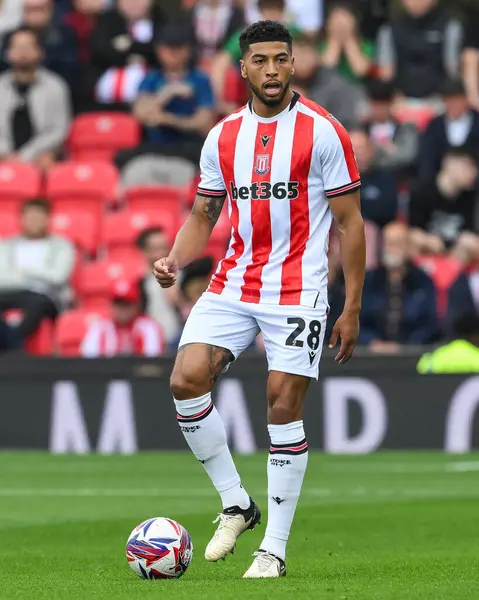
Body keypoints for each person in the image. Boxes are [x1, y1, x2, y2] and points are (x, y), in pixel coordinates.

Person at [153, 20, 365, 578]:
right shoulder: (222, 136)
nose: (271, 70)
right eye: (260, 61)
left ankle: (273, 547)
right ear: (242, 68)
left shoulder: (323, 131)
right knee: (185, 379)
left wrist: (352, 306)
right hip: (233, 281)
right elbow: (204, 215)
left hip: (298, 288)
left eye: (280, 59)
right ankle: (236, 503)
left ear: (293, 64)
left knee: (281, 400)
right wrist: (177, 259)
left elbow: (351, 223)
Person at [0, 198, 75, 344]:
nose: (34, 221)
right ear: (21, 219)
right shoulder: (6, 245)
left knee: (36, 304)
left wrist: (24, 271)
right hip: (11, 292)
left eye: (38, 217)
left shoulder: (62, 245)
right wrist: (34, 278)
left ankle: (11, 345)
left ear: (48, 219)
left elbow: (58, 277)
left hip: (46, 297)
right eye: (30, 217)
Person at [359, 221, 439, 350]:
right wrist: (372, 342)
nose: (392, 249)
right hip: (370, 353)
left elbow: (430, 324)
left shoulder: (423, 281)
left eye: (398, 244)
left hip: (412, 352)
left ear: (408, 247)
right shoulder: (368, 280)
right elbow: (356, 319)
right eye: (388, 243)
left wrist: (404, 346)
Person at [0, 26, 71, 169]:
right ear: (7, 53)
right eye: (17, 47)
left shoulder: (56, 86)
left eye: (28, 46)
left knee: (48, 162)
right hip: (3, 154)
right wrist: (6, 154)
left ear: (40, 52)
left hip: (41, 154)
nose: (23, 52)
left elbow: (58, 130)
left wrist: (25, 156)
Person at [211, 0, 298, 116]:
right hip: (252, 88)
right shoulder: (248, 35)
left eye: (276, 9)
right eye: (267, 9)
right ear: (261, 11)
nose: (272, 14)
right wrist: (221, 101)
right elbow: (220, 63)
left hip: (292, 86)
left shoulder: (295, 33)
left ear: (283, 10)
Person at [133, 22, 214, 147]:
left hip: (189, 146)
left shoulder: (200, 79)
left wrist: (170, 120)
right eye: (168, 49)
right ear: (159, 51)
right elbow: (141, 113)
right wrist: (167, 93)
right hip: (154, 146)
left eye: (178, 49)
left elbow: (205, 122)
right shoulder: (152, 78)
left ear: (187, 51)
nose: (173, 55)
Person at [377, 0, 462, 102]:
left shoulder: (449, 26)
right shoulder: (388, 30)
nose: (417, 2)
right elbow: (386, 74)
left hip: (439, 101)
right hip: (400, 101)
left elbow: (453, 71)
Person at [409, 146, 479, 266]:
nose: (474, 172)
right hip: (428, 247)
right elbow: (412, 230)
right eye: (468, 166)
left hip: (458, 254)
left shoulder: (470, 196)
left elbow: (469, 234)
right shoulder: (423, 191)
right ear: (449, 164)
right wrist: (428, 240)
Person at [291, 32, 365, 130]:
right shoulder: (279, 83)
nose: (302, 60)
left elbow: (345, 126)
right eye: (297, 55)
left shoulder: (336, 85)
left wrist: (307, 103)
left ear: (317, 56)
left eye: (306, 54)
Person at [80, 278, 166, 358]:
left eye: (127, 303)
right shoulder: (99, 327)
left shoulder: (149, 327)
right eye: (118, 303)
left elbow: (152, 361)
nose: (122, 309)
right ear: (111, 305)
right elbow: (89, 361)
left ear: (136, 305)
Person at [418, 78, 479, 181]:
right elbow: (427, 157)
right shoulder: (435, 126)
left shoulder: (477, 122)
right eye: (449, 100)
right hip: (443, 178)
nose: (453, 105)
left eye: (457, 100)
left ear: (465, 99)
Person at [362, 79, 419, 172]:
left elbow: (408, 156)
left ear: (391, 104)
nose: (380, 109)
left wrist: (372, 151)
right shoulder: (360, 129)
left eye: (383, 105)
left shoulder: (406, 129)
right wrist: (387, 149)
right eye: (376, 105)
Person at [136, 227, 181, 345]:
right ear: (144, 251)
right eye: (156, 249)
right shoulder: (140, 283)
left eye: (165, 247)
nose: (162, 253)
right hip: (151, 341)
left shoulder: (181, 274)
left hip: (178, 338)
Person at [350, 128, 398, 228]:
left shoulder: (385, 177)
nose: (356, 154)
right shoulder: (334, 180)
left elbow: (388, 211)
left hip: (378, 229)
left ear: (371, 150)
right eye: (351, 149)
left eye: (361, 148)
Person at [319, 2, 374, 83]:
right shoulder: (320, 47)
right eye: (337, 23)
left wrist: (349, 41)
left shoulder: (366, 46)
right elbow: (326, 69)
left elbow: (360, 70)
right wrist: (335, 42)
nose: (341, 27)